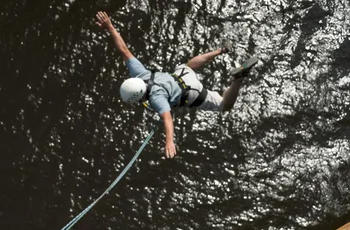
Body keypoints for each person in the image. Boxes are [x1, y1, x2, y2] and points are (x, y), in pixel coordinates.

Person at [95, 11, 258, 158]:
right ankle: (220, 51)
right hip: (181, 73)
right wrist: (110, 27)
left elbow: (167, 118)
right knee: (188, 66)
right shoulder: (139, 73)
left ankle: (239, 78)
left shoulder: (156, 99)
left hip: (191, 91)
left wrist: (169, 142)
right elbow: (124, 50)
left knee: (225, 104)